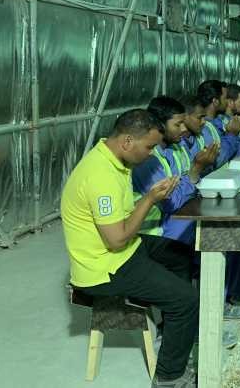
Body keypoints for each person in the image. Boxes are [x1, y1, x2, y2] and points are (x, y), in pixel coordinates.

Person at [60, 109, 198, 388]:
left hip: (122, 250)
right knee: (187, 300)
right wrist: (150, 199)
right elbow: (117, 240)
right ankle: (169, 377)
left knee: (181, 255)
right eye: (149, 147)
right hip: (103, 268)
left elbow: (120, 221)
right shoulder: (100, 176)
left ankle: (173, 331)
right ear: (126, 141)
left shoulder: (114, 160)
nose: (151, 153)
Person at [132, 96, 218, 245]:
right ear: (160, 125)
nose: (184, 129)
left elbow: (190, 185)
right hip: (157, 233)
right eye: (178, 124)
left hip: (178, 218)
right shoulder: (148, 159)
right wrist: (196, 170)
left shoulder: (177, 147)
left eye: (183, 123)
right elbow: (170, 202)